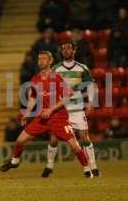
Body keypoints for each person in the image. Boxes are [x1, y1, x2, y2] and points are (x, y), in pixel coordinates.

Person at [0, 51, 91, 178]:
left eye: (43, 59)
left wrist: (51, 109)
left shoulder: (56, 77)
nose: (40, 61)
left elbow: (68, 95)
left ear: (50, 62)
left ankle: (87, 170)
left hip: (59, 117)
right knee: (20, 140)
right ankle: (15, 161)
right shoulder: (35, 79)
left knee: (74, 146)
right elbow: (33, 97)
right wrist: (27, 113)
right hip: (42, 117)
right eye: (39, 59)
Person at [41, 42, 100, 178]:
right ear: (61, 52)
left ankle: (93, 166)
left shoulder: (82, 68)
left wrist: (90, 103)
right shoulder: (55, 69)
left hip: (77, 108)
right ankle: (49, 166)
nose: (66, 50)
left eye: (69, 48)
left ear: (74, 50)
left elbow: (91, 85)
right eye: (63, 49)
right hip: (61, 110)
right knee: (54, 138)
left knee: (84, 137)